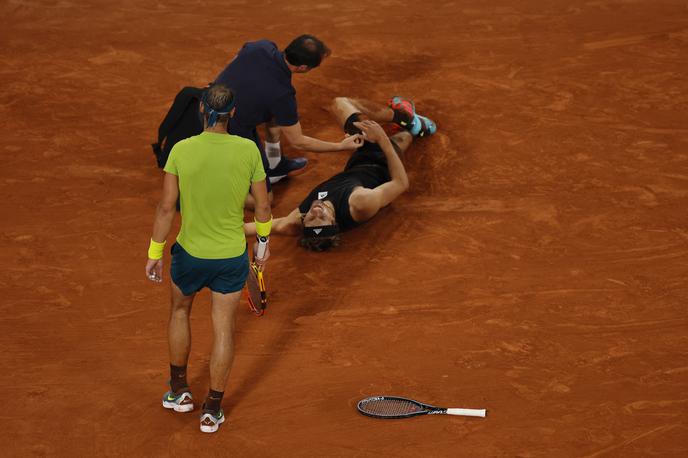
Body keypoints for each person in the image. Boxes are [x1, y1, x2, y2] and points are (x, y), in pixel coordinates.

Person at [145, 83, 273, 433]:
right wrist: (261, 247)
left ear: (203, 110)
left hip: (189, 255)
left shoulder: (182, 150)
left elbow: (166, 207)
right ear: (233, 113)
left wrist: (155, 252)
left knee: (179, 311)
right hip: (231, 257)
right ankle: (212, 410)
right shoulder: (248, 150)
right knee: (223, 330)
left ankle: (179, 392)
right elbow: (262, 206)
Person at [244, 96, 436, 251]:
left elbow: (252, 228)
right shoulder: (360, 203)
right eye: (323, 217)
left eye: (311, 218)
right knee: (341, 104)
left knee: (400, 137)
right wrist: (382, 138)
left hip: (356, 165)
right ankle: (406, 118)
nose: (316, 212)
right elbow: (401, 183)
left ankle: (413, 129)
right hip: (383, 163)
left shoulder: (295, 221)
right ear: (334, 220)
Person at [214, 35, 363, 196]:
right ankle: (212, 185)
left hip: (205, 101)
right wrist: (340, 146)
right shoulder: (282, 94)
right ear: (302, 68)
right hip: (222, 129)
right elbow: (299, 142)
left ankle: (274, 164)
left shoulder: (261, 47)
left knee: (275, 118)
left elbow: (235, 59)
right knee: (264, 199)